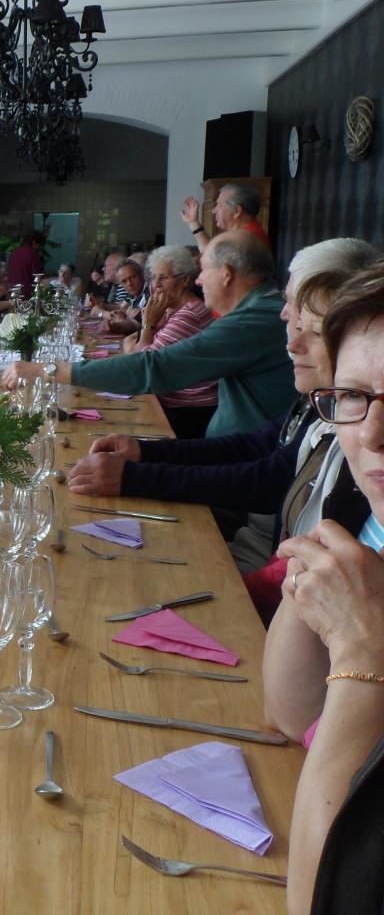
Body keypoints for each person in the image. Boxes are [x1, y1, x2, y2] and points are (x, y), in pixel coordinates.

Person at [69, 268, 362, 590]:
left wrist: (135, 476)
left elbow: (267, 482)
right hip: (264, 552)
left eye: (314, 332)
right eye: (294, 325)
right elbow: (253, 446)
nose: (291, 344)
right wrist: (144, 451)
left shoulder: (348, 425)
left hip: (263, 561)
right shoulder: (316, 402)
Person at [260, 268, 384, 913]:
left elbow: (332, 897)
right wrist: (314, 582)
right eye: (356, 396)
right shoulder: (371, 523)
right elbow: (293, 711)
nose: (371, 436)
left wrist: (363, 655)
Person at [4, 231, 294, 438]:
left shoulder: (253, 320)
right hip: (228, 446)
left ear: (227, 274)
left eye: (204, 270)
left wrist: (46, 369)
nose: (198, 279)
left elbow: (152, 366)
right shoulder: (258, 311)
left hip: (239, 459)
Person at [117, 245, 217, 437]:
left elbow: (140, 367)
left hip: (188, 413)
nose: (156, 285)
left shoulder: (190, 314)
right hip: (170, 403)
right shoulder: (172, 310)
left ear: (185, 279)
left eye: (163, 277)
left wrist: (147, 325)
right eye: (153, 278)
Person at [181, 182, 271, 252]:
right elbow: (210, 255)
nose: (213, 211)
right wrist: (193, 222)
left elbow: (209, 260)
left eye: (219, 205)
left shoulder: (243, 239)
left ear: (236, 211)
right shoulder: (246, 233)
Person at [100, 258, 148, 338]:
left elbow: (137, 325)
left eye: (132, 277)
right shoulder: (133, 293)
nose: (129, 283)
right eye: (124, 281)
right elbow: (121, 308)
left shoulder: (150, 292)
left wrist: (118, 323)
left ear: (142, 275)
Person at [5, 231, 45, 295]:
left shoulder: (14, 253)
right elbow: (37, 275)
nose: (39, 247)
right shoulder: (33, 254)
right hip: (26, 292)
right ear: (34, 242)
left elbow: (8, 271)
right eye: (39, 245)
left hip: (12, 290)